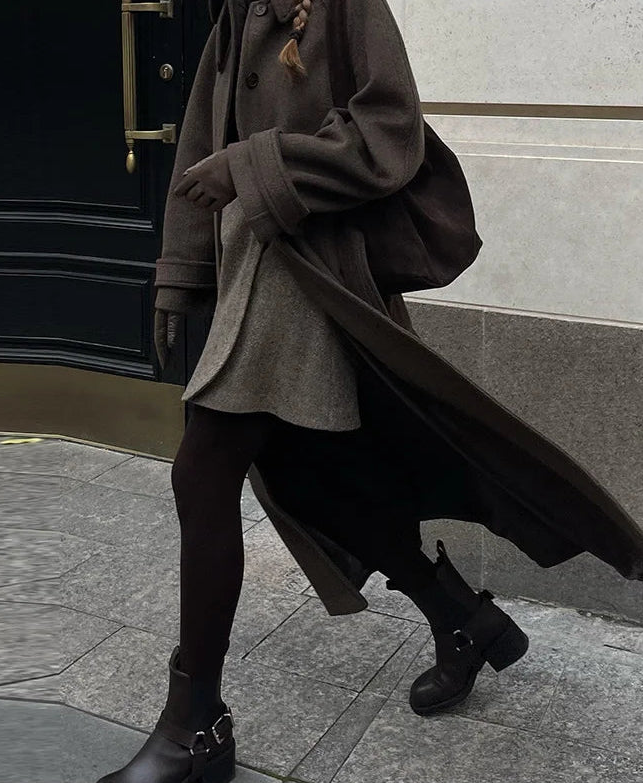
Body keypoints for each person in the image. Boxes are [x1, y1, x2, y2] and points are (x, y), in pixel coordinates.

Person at [96, 1, 642, 782]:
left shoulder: (345, 6)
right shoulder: (234, 12)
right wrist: (178, 275)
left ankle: (194, 726)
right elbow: (196, 148)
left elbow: (391, 130)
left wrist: (253, 166)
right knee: (312, 481)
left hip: (308, 276)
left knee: (203, 468)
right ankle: (462, 617)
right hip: (254, 269)